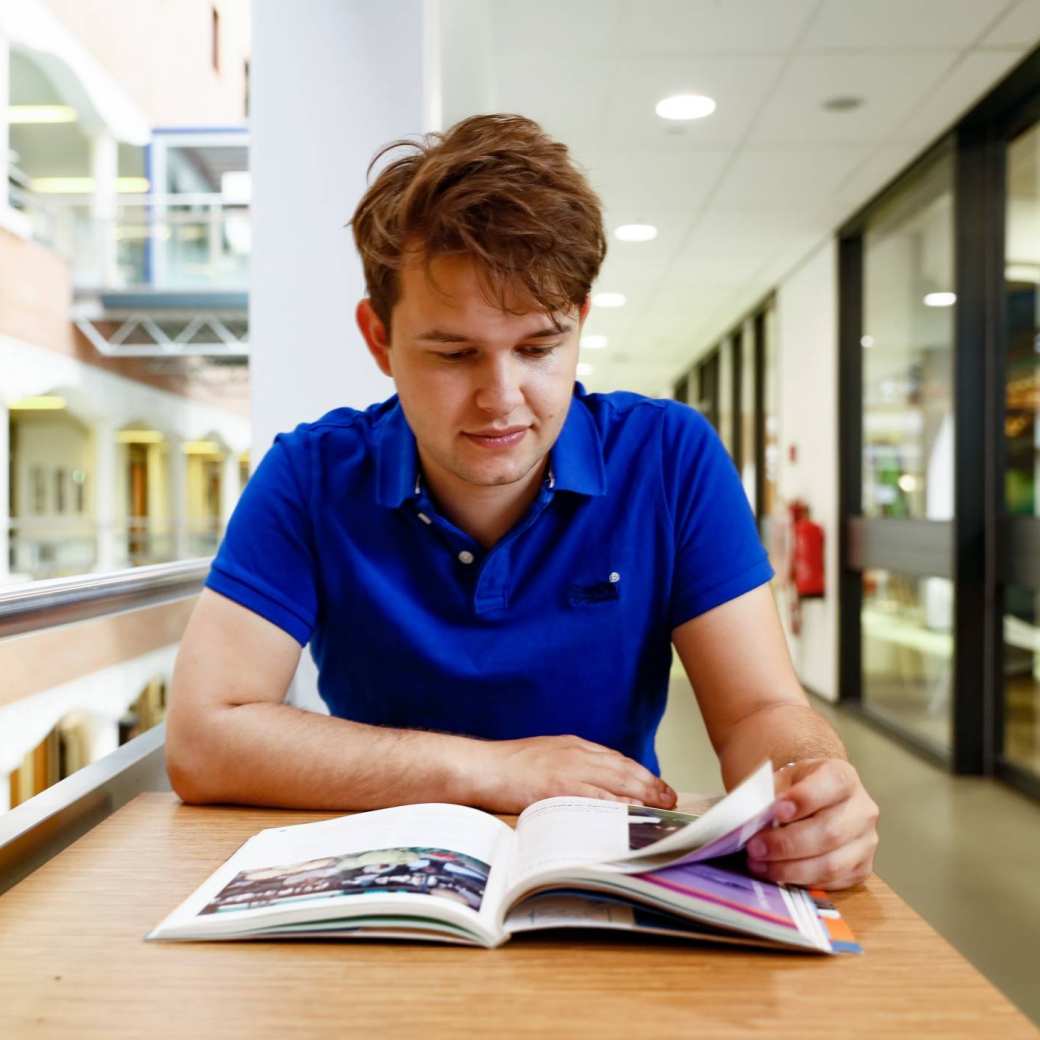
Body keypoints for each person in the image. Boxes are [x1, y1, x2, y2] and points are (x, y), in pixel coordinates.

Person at [166, 114, 879, 891]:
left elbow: (756, 712)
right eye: (454, 354)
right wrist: (490, 771)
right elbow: (205, 738)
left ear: (579, 324)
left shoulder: (670, 457)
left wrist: (814, 781)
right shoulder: (310, 475)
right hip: (387, 890)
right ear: (380, 339)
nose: (503, 399)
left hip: (604, 882)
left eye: (539, 348)